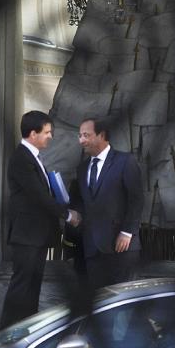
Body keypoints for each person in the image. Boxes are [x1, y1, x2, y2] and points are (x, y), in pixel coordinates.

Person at [1, 111, 80, 328]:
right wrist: (67, 215)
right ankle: (6, 333)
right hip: (27, 235)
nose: (50, 137)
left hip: (36, 235)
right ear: (33, 133)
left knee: (32, 287)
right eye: (46, 132)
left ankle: (26, 332)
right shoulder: (21, 158)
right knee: (22, 286)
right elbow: (38, 196)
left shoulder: (33, 157)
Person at [72, 117, 144, 291]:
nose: (81, 140)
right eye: (79, 135)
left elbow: (137, 198)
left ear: (101, 135)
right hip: (92, 249)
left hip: (121, 247)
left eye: (86, 135)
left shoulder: (125, 161)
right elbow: (85, 202)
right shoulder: (82, 168)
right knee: (99, 306)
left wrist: (127, 232)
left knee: (122, 304)